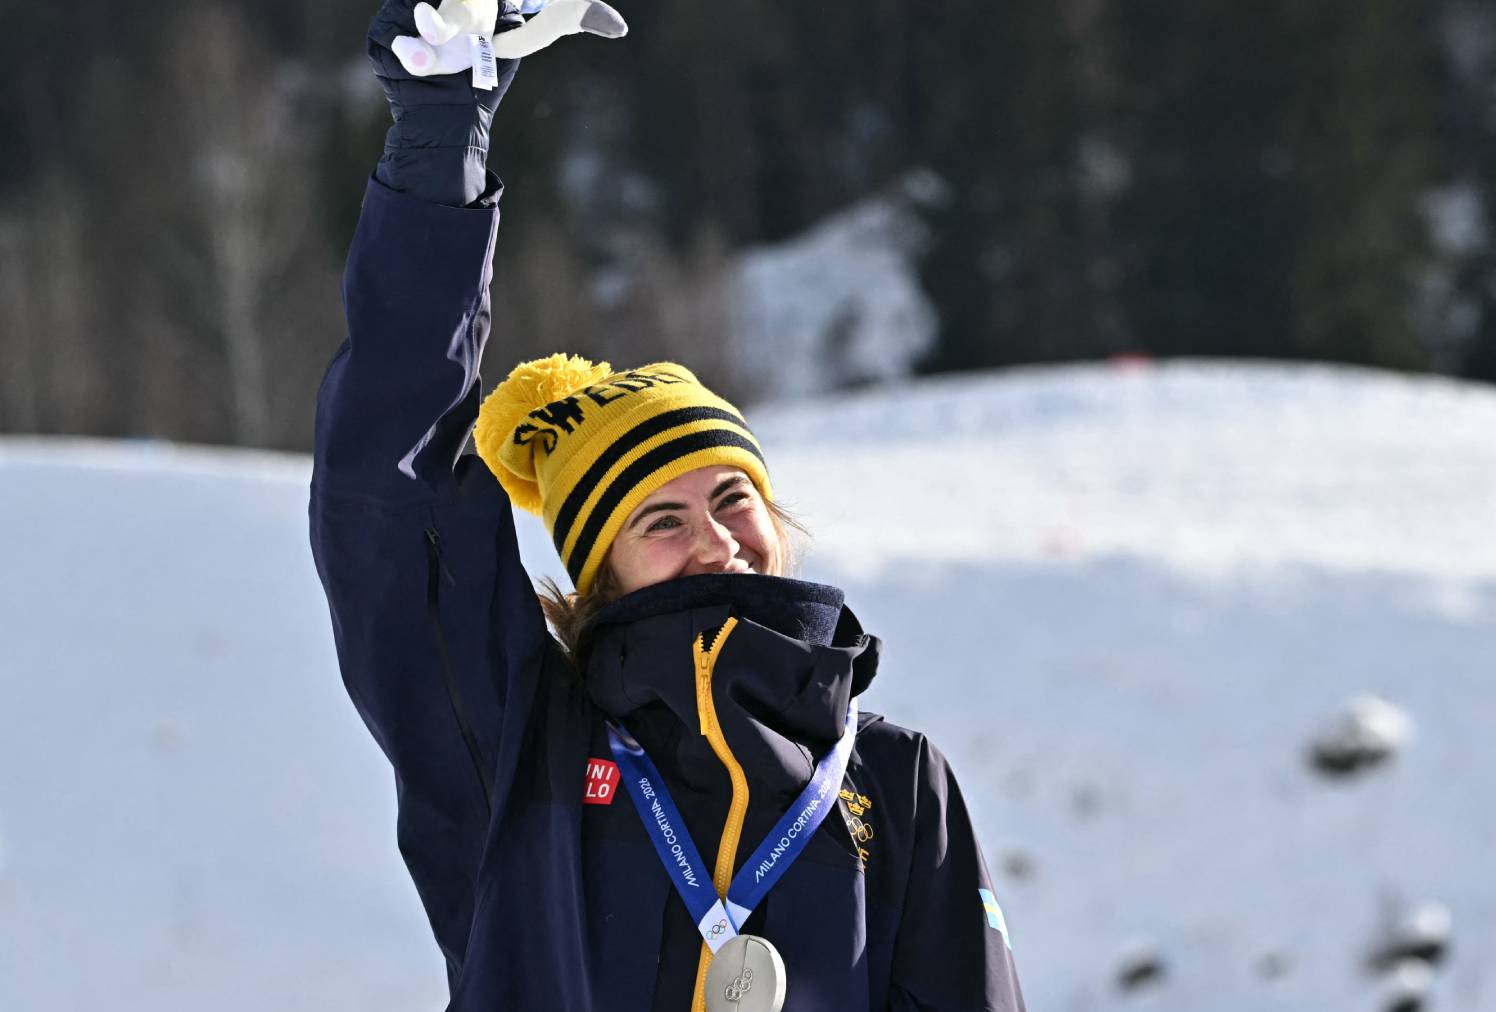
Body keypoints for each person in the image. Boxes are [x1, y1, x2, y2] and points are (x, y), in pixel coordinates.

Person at [308, 3, 1027, 1009]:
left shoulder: (897, 783)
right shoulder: (523, 744)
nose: (717, 536)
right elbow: (390, 491)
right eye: (661, 519)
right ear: (599, 571)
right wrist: (439, 151)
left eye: (733, 496)